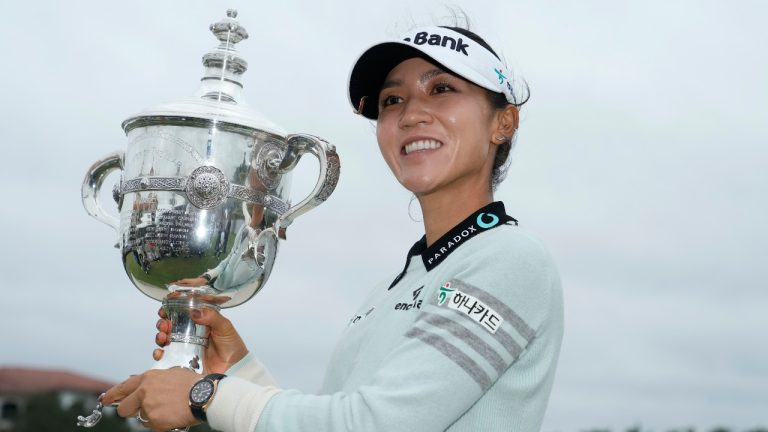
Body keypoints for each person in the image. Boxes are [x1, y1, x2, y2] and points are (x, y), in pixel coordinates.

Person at [103, 22, 563, 432]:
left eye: (441, 88)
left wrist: (205, 397)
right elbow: (346, 417)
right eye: (392, 100)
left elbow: (377, 424)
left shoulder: (511, 258)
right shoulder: (399, 283)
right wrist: (239, 371)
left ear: (504, 122)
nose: (411, 114)